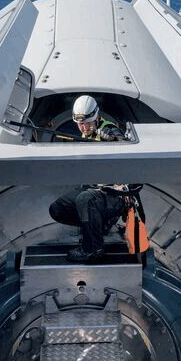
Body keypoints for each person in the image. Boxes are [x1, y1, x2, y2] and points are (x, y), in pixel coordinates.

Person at [48, 96, 133, 263]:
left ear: (96, 117)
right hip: (96, 190)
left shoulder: (110, 130)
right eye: (80, 124)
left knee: (84, 199)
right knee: (58, 209)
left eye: (88, 123)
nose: (84, 127)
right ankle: (98, 226)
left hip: (114, 195)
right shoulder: (85, 132)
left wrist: (113, 142)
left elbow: (127, 149)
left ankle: (93, 249)